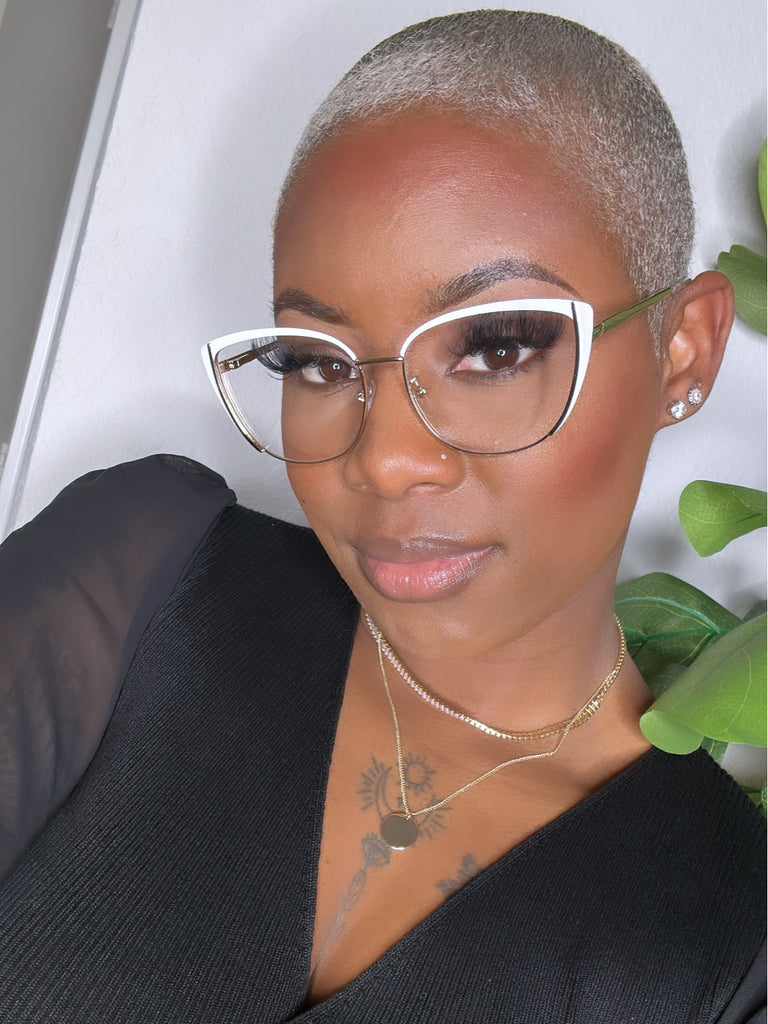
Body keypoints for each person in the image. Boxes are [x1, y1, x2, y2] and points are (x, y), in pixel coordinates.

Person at [0, 9, 763, 1023]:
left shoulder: (729, 947)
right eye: (315, 362)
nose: (386, 459)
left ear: (683, 349)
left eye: (495, 346)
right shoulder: (136, 577)